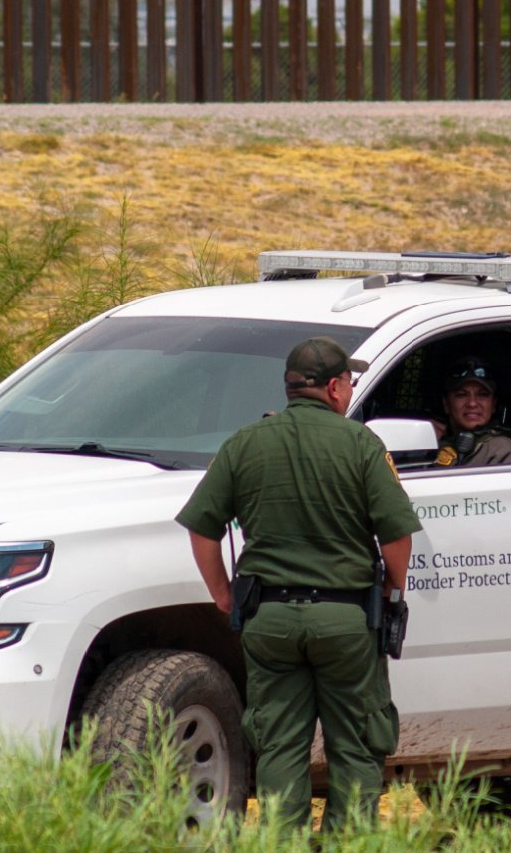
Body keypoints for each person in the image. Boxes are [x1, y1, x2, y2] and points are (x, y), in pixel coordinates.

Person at [176, 336, 422, 833]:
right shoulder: (360, 444)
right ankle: (348, 845)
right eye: (348, 381)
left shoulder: (246, 442)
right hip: (346, 622)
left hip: (270, 620)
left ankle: (283, 844)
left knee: (280, 748)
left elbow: (202, 526)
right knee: (355, 746)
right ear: (333, 387)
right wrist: (394, 592)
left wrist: (223, 594)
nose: (349, 390)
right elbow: (396, 536)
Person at [433, 356, 511, 467]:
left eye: (482, 395)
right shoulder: (435, 444)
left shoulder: (503, 452)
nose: (472, 403)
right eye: (461, 395)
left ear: (493, 405)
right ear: (447, 404)